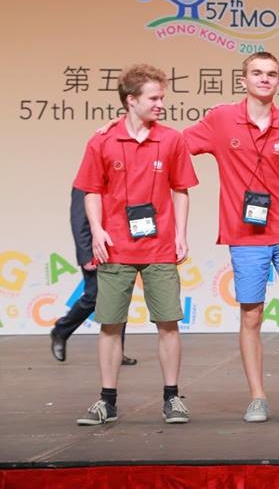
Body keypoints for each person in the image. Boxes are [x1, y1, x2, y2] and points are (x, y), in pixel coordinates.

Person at [183, 52, 279, 423]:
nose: (265, 79)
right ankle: (258, 397)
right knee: (252, 314)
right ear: (244, 79)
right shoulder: (221, 119)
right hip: (245, 233)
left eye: (272, 74)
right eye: (257, 73)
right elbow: (177, 144)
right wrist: (128, 123)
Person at [73, 64, 197, 426]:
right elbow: (91, 190)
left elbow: (181, 190)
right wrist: (97, 229)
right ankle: (107, 401)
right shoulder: (102, 140)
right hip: (115, 246)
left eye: (162, 97)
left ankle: (172, 398)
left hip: (160, 246)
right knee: (110, 324)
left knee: (168, 322)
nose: (161, 104)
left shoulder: (172, 140)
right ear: (131, 100)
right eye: (154, 98)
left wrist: (181, 233)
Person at [50, 188, 136, 366]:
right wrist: (85, 255)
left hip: (118, 250)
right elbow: (78, 220)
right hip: (96, 252)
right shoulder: (85, 182)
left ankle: (117, 352)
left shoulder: (117, 180)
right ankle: (61, 330)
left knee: (119, 298)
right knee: (93, 296)